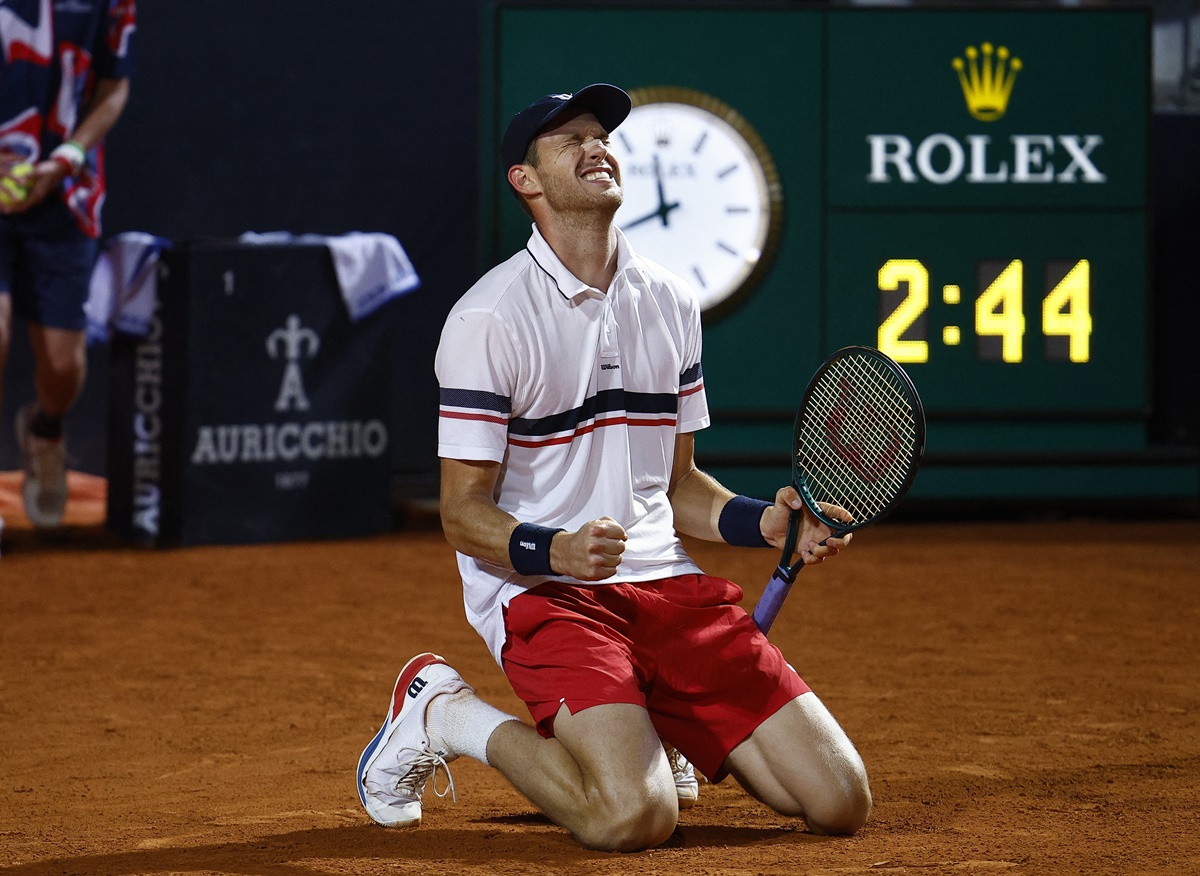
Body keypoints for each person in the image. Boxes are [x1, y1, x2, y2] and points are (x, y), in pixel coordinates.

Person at [357, 84, 871, 852]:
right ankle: (444, 713)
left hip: (666, 587)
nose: (597, 147)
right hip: (547, 596)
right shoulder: (487, 319)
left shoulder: (670, 301)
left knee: (839, 802)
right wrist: (554, 549)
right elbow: (461, 513)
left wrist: (765, 521)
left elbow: (679, 486)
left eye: (602, 136)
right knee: (633, 817)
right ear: (525, 181)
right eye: (571, 141)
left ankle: (647, 712)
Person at [0, 0, 136, 528]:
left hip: (67, 198)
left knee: (61, 366)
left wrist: (66, 159)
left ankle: (46, 431)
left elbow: (114, 85)